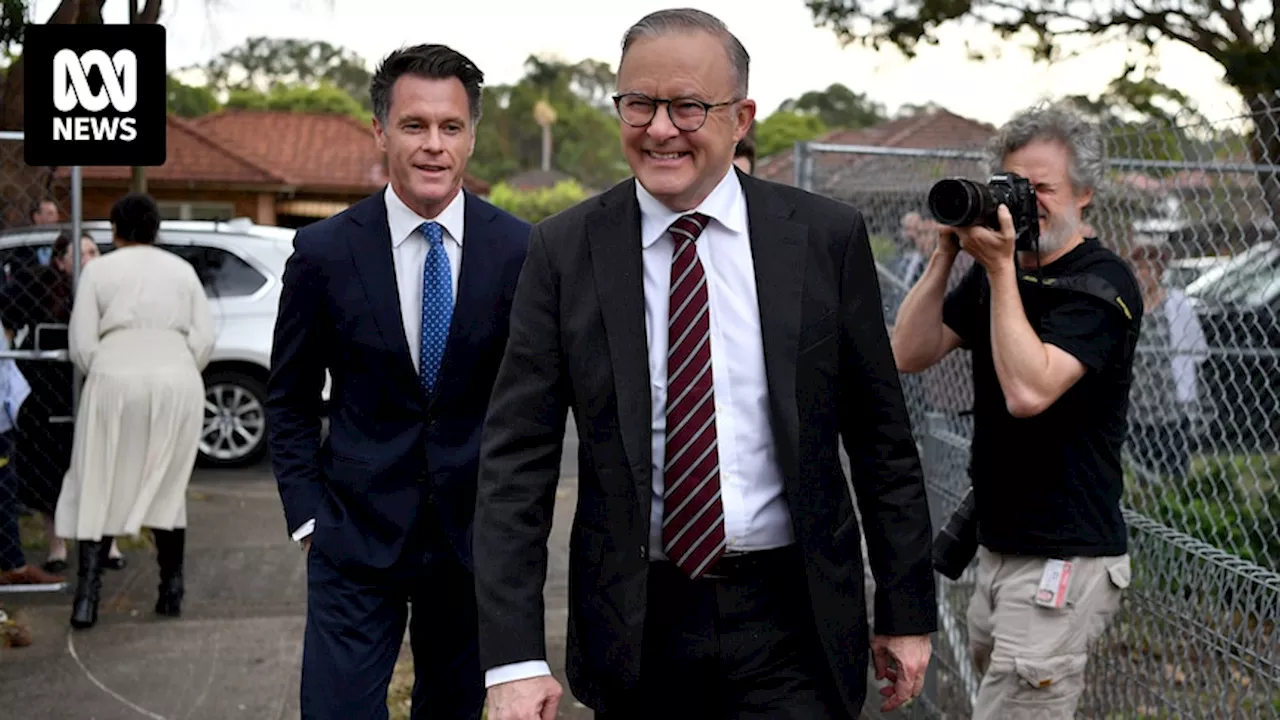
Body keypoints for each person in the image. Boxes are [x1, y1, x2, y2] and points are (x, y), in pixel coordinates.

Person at [474, 9, 936, 720]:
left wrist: (905, 610)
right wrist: (513, 656)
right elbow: (516, 464)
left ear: (741, 116)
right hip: (636, 625)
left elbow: (882, 441)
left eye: (688, 105)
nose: (660, 128)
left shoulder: (823, 239)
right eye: (639, 104)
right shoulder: (564, 252)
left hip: (794, 621)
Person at [265, 44, 531, 720]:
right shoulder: (323, 253)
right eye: (415, 126)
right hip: (352, 540)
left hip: (473, 547)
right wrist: (307, 517)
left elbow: (538, 403)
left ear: (471, 135)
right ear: (380, 132)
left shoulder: (523, 251)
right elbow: (290, 400)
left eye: (450, 127)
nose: (434, 145)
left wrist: (517, 518)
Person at [891, 102, 1141, 719]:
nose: (1025, 202)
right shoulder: (993, 275)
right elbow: (907, 350)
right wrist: (948, 253)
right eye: (1012, 187)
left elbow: (1030, 392)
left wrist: (1001, 269)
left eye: (1042, 189)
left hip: (1065, 555)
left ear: (1085, 193)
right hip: (999, 546)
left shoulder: (1102, 283)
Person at [57, 193, 215, 630]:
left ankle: (86, 598)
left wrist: (110, 367)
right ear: (156, 229)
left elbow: (82, 343)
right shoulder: (181, 271)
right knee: (166, 485)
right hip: (176, 377)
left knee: (98, 478)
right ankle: (171, 590)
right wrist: (176, 364)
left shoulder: (98, 271)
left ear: (114, 230)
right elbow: (204, 338)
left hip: (114, 376)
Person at [0, 232, 122, 576]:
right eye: (81, 252)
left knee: (101, 465)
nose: (90, 257)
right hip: (46, 391)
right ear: (60, 260)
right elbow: (7, 322)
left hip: (95, 386)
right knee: (49, 467)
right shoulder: (37, 285)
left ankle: (107, 542)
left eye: (94, 250)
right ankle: (57, 544)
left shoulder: (110, 289)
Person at [1127, 238, 1206, 481]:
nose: (1142, 275)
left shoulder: (1176, 302)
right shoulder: (1130, 303)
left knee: (1172, 463)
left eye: (1148, 269)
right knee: (1141, 463)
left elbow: (1197, 347)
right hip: (1137, 399)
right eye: (1137, 268)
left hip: (1169, 399)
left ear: (1160, 272)